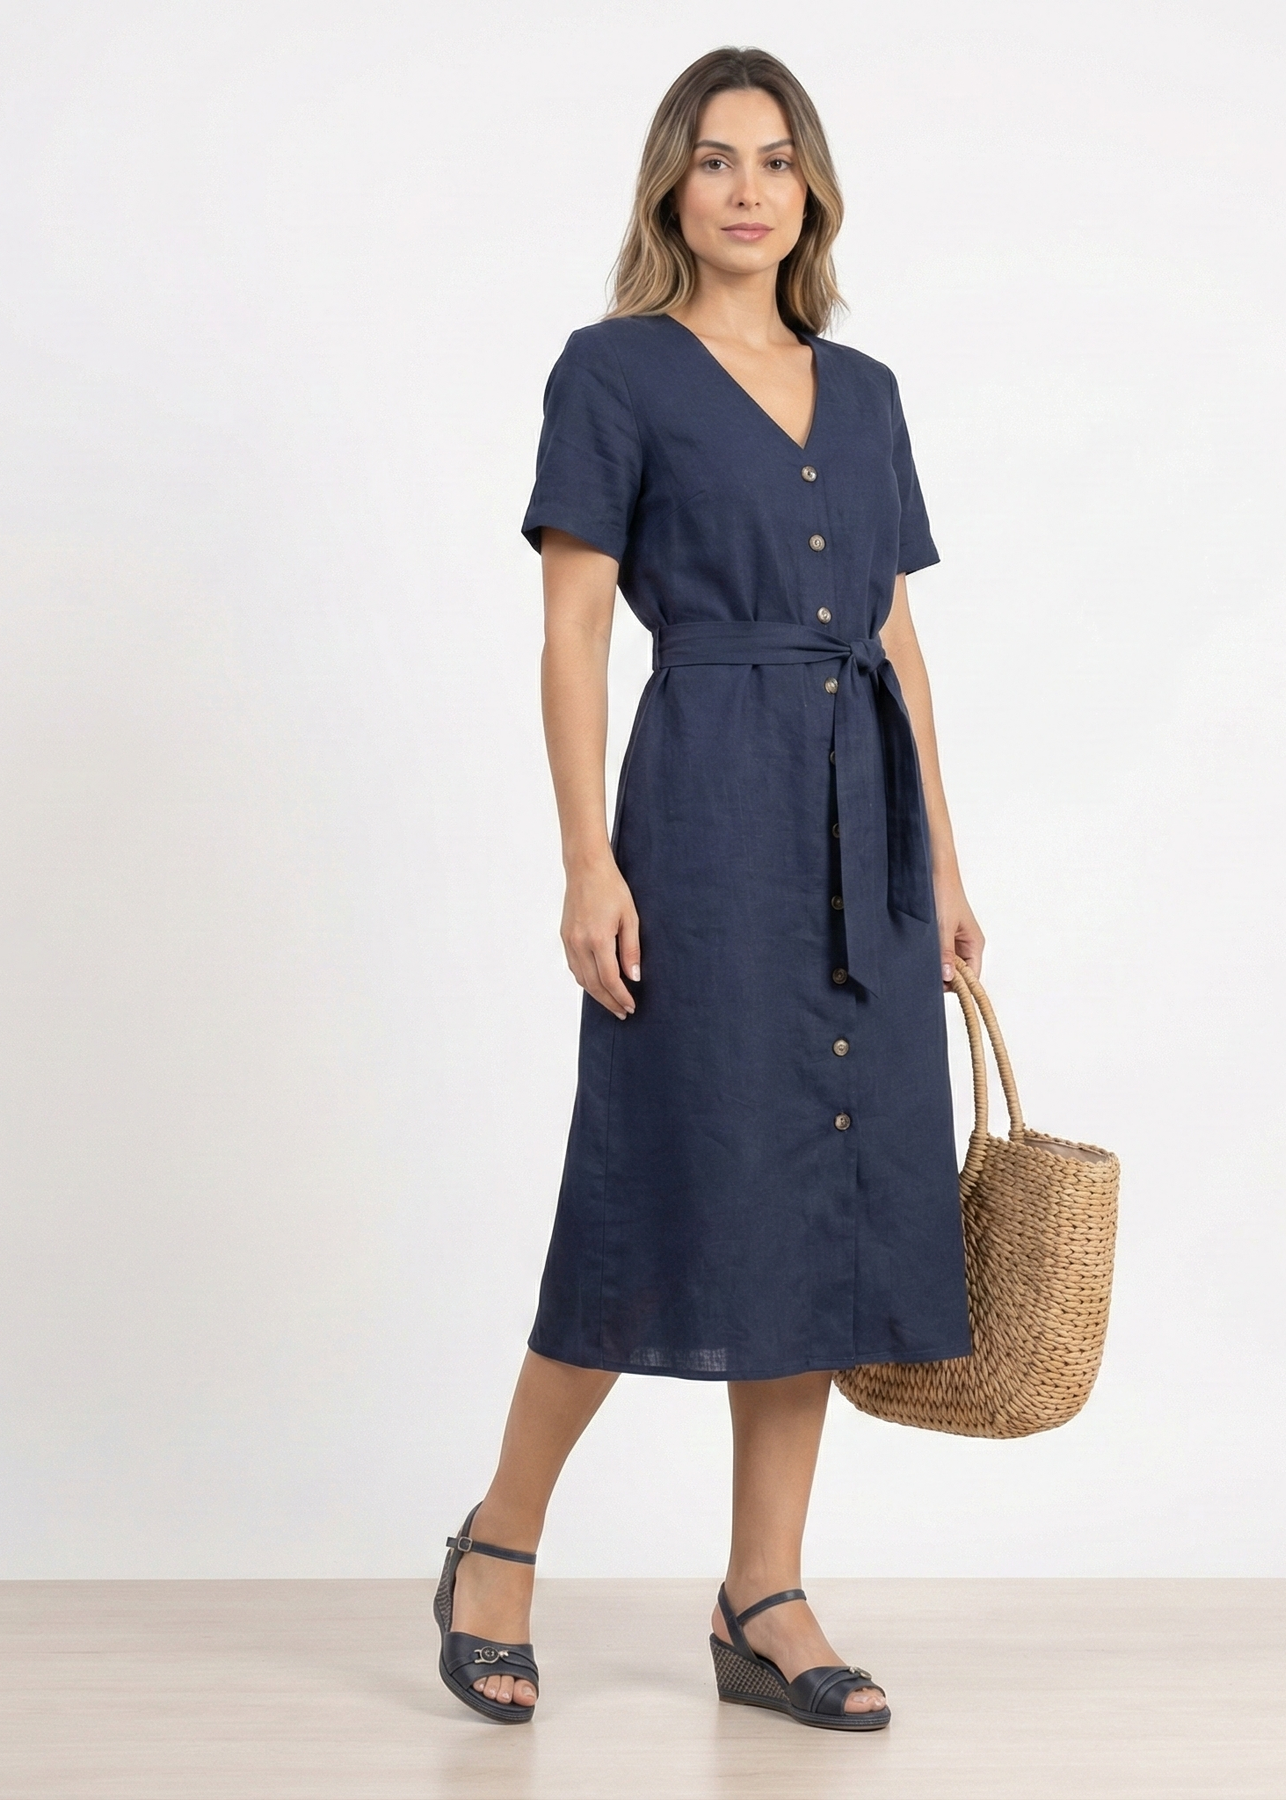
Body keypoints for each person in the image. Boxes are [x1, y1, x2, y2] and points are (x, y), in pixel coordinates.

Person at [433, 45, 984, 1733]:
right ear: (672, 187)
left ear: (813, 190)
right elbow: (572, 631)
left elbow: (895, 636)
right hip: (705, 815)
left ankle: (765, 1595)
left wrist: (946, 863)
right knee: (654, 1183)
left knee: (825, 1191)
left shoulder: (866, 391)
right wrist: (585, 856)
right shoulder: (613, 372)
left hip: (864, 834)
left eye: (778, 158)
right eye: (717, 158)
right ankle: (497, 1546)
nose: (750, 188)